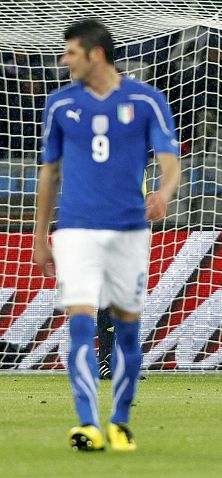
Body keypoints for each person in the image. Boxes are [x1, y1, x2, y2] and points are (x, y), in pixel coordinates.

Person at [33, 19, 181, 451]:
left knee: (127, 330)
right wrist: (41, 235)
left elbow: (169, 160)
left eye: (71, 53)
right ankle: (87, 424)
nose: (64, 61)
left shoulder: (146, 100)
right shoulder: (61, 105)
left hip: (129, 231)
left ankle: (119, 421)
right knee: (80, 325)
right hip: (76, 229)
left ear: (95, 54)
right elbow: (49, 173)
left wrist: (164, 192)